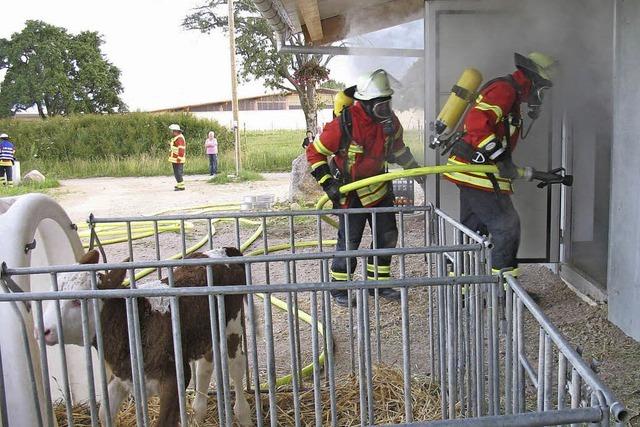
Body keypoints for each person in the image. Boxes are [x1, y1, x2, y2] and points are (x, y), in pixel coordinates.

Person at [306, 69, 424, 307]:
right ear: (365, 103)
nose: (385, 109)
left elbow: (398, 149)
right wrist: (328, 184)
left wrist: (417, 170)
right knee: (350, 240)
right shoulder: (344, 125)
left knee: (387, 236)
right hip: (350, 193)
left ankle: (377, 284)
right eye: (380, 105)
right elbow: (314, 152)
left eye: (387, 103)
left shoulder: (390, 123)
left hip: (379, 189)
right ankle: (339, 287)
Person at [443, 52, 556, 277]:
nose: (540, 96)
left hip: (474, 172)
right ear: (533, 81)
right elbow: (476, 124)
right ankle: (505, 290)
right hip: (478, 173)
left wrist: (525, 170)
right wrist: (501, 158)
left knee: (472, 230)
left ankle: (465, 288)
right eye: (542, 89)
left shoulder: (511, 95)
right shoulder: (505, 91)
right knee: (506, 227)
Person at [168, 124, 186, 191]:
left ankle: (181, 186)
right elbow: (176, 146)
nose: (171, 132)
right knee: (176, 172)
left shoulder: (180, 138)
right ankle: (179, 183)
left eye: (172, 131)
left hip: (178, 159)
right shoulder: (177, 137)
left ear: (176, 131)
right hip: (175, 158)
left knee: (178, 172)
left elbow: (181, 149)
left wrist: (179, 158)